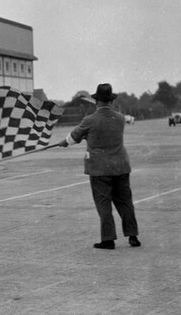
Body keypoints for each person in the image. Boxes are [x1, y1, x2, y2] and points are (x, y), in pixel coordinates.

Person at [58, 83, 141, 250]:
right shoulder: (119, 118)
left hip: (99, 169)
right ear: (110, 101)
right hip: (121, 166)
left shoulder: (89, 120)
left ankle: (108, 239)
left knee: (104, 204)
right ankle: (133, 237)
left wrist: (64, 142)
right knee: (125, 202)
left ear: (96, 101)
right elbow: (126, 119)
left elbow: (73, 137)